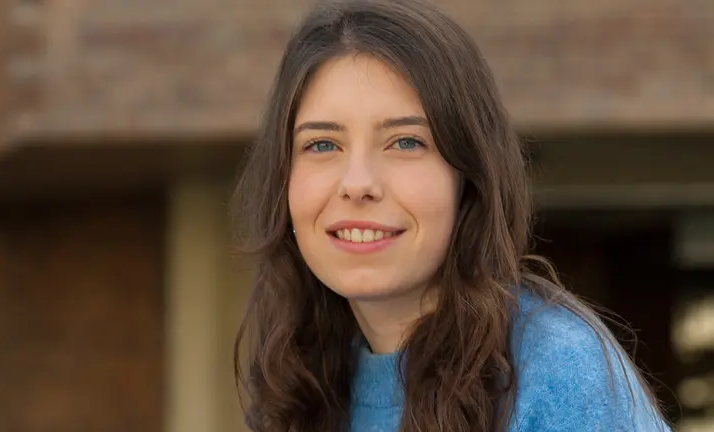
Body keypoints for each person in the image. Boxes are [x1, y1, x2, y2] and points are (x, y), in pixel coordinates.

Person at [231, 0, 673, 430]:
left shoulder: (556, 373)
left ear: (469, 178)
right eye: (322, 145)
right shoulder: (305, 378)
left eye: (406, 142)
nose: (358, 183)